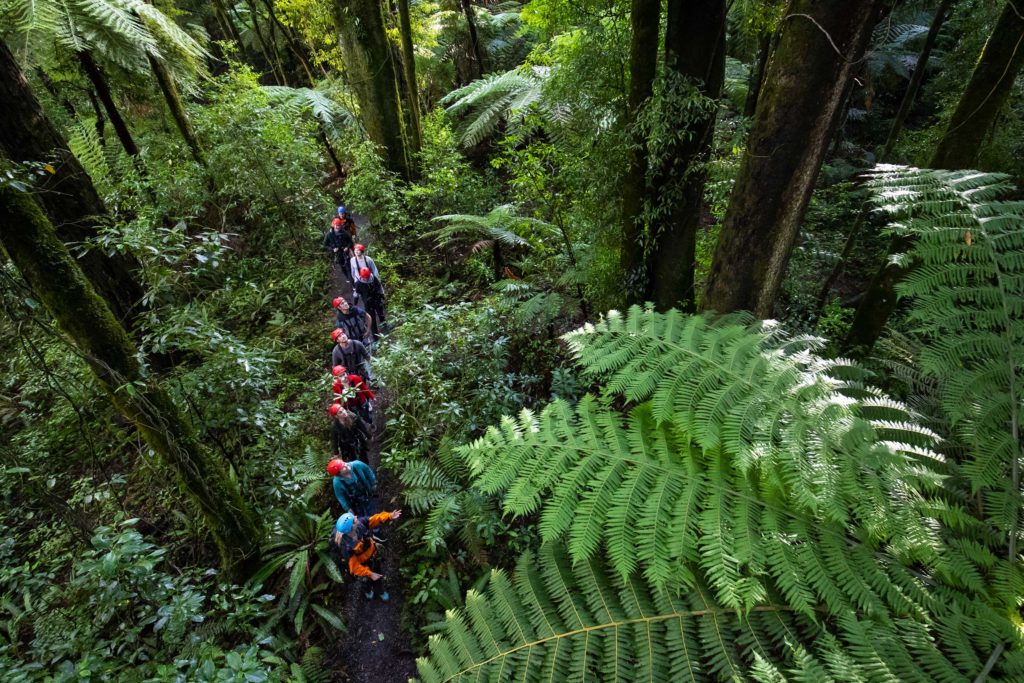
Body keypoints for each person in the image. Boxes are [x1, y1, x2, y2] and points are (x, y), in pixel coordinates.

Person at [329, 509, 402, 600]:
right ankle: (368, 591)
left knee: (377, 575)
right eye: (354, 520)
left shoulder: (360, 523)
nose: (356, 517)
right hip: (362, 564)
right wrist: (370, 574)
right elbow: (354, 566)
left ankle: (380, 592)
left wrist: (389, 516)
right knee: (366, 579)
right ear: (351, 528)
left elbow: (374, 519)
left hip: (373, 555)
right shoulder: (347, 546)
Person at [354, 267, 386, 340]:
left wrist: (382, 295)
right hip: (368, 304)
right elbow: (356, 294)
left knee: (381, 314)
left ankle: (385, 326)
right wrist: (355, 303)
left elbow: (379, 286)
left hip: (377, 299)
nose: (366, 279)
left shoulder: (373, 278)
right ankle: (375, 336)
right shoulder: (358, 283)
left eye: (367, 277)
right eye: (364, 278)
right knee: (372, 319)